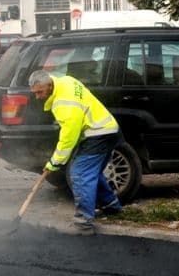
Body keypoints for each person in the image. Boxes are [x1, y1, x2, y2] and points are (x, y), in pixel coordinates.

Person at [28, 70, 123, 235]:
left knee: (80, 174)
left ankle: (84, 223)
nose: (37, 96)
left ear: (49, 85)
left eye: (40, 92)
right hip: (107, 129)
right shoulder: (66, 80)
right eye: (35, 93)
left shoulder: (63, 104)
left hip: (98, 133)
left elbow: (68, 138)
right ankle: (111, 206)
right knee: (91, 172)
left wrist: (55, 162)